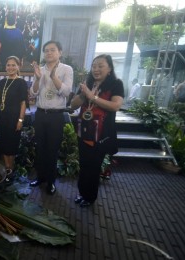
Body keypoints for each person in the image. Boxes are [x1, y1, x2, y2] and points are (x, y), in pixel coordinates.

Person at [70, 54, 124, 207]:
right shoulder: (88, 83)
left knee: (93, 167)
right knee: (84, 164)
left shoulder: (116, 84)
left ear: (109, 69)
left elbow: (115, 106)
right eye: (94, 66)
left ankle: (90, 197)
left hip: (100, 134)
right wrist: (83, 94)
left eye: (100, 66)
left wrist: (92, 97)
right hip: (85, 131)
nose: (96, 69)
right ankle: (82, 193)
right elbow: (73, 105)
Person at [29, 41, 73, 195]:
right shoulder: (40, 70)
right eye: (46, 50)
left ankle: (51, 182)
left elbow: (66, 92)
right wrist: (36, 78)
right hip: (41, 114)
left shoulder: (67, 69)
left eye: (52, 50)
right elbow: (33, 94)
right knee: (40, 149)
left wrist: (54, 77)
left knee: (52, 150)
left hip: (56, 116)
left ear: (59, 52)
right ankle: (40, 178)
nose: (49, 53)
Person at [0, 56, 28, 181]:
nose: (11, 67)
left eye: (14, 65)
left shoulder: (21, 82)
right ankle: (7, 167)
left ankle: (10, 168)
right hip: (2, 117)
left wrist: (20, 120)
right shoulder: (2, 82)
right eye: (8, 65)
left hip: (14, 117)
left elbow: (23, 103)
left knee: (12, 143)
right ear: (5, 67)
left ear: (18, 66)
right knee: (3, 142)